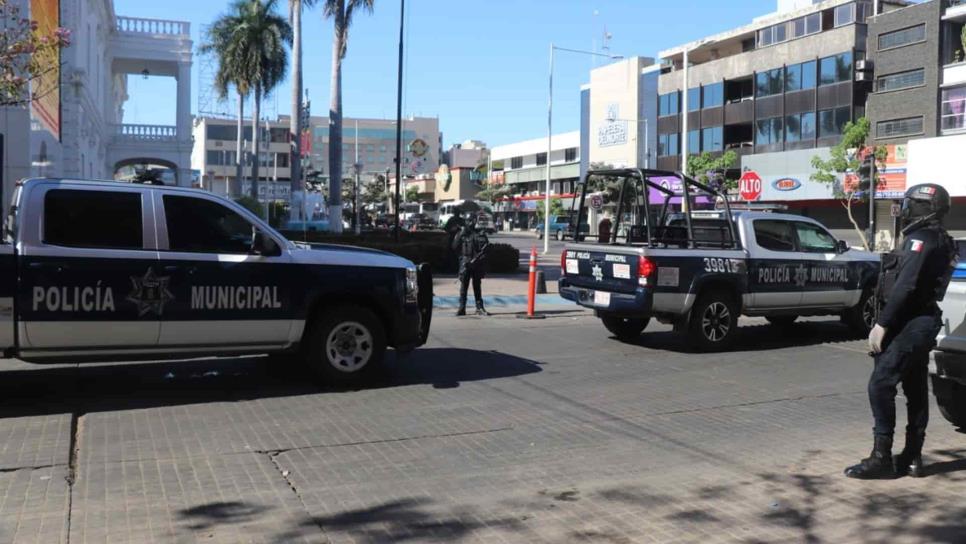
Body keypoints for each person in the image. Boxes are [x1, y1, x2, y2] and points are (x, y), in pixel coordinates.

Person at [845, 184, 957, 480]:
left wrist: (882, 324)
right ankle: (912, 458)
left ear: (924, 207)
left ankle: (881, 458)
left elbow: (906, 285)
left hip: (911, 323)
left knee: (880, 385)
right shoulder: (939, 239)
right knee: (915, 389)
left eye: (911, 204)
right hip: (920, 321)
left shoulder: (921, 239)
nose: (906, 210)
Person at [453, 213, 490, 316]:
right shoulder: (462, 233)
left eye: (473, 220)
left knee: (477, 285)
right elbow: (454, 247)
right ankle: (462, 308)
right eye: (469, 220)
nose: (471, 222)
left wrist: (479, 260)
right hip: (465, 263)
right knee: (464, 286)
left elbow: (486, 249)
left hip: (476, 264)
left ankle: (479, 307)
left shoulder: (480, 234)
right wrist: (462, 259)